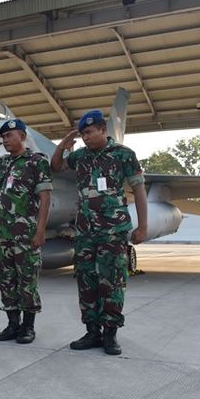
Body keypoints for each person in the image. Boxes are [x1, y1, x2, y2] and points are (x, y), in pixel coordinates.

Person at [51, 110, 148, 355]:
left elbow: (138, 190)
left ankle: (110, 334)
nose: (86, 138)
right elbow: (56, 166)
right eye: (83, 133)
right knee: (86, 282)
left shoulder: (124, 155)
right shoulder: (80, 156)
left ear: (103, 131)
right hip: (84, 232)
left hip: (113, 231)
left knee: (113, 282)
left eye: (90, 132)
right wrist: (64, 144)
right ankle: (92, 331)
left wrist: (143, 226)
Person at [0, 119, 52, 344]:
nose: (5, 140)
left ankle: (28, 327)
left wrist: (40, 231)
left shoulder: (37, 162)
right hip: (3, 234)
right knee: (6, 281)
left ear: (22, 137)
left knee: (27, 281)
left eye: (10, 136)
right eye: (3, 137)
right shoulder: (2, 163)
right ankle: (12, 325)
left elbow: (45, 198)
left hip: (26, 234)